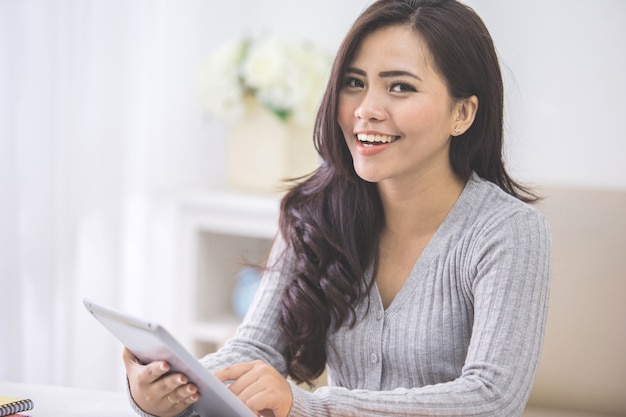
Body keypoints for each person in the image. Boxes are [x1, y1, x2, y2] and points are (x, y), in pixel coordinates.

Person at [123, 0, 551, 416]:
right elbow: (254, 350)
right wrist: (170, 387)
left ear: (463, 112)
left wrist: (311, 406)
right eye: (354, 83)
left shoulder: (509, 231)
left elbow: (491, 398)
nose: (366, 110)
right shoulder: (319, 212)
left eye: (400, 86)